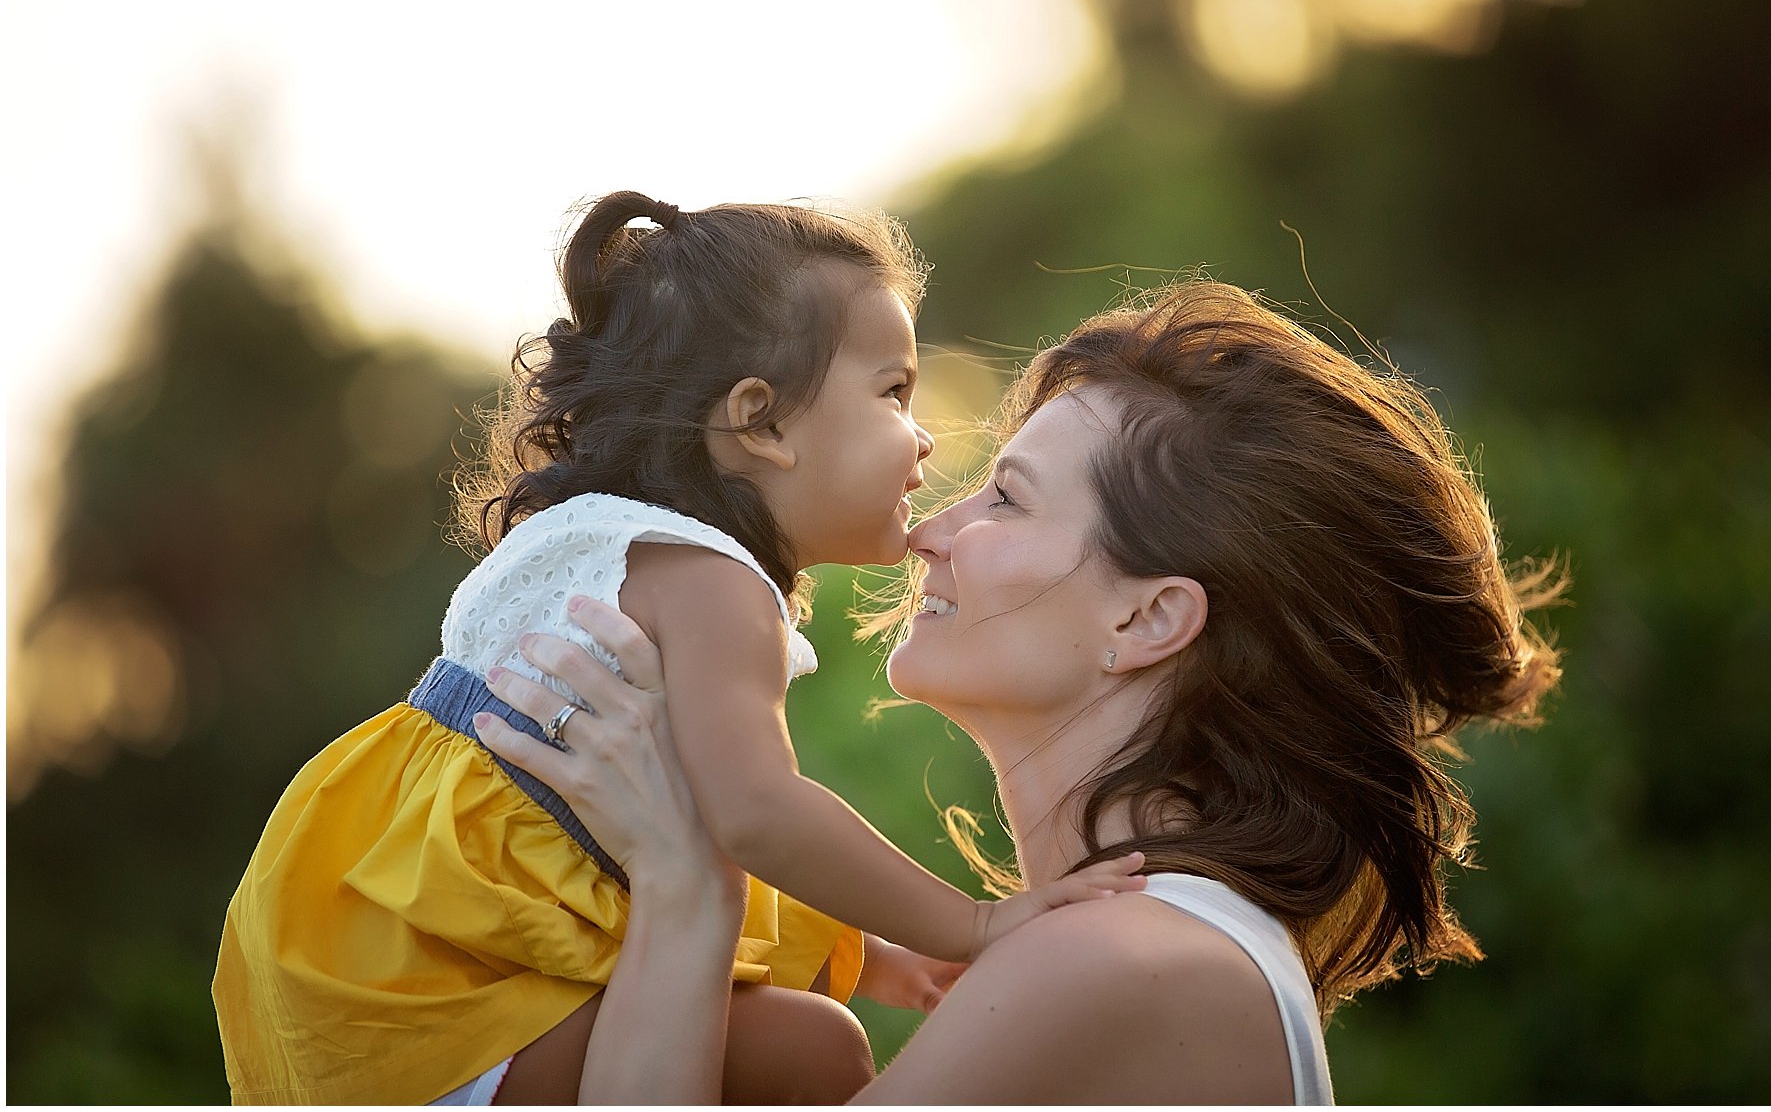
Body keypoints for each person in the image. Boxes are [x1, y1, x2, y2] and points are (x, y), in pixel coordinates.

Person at [477, 276, 1566, 1103]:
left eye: (1006, 497)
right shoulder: (1163, 944)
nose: (930, 533)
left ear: (1147, 619)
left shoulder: (1116, 957)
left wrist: (687, 881)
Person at [211, 192, 1144, 1106]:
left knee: (802, 1018)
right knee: (816, 1051)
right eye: (894, 390)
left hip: (367, 943)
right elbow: (753, 812)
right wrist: (976, 920)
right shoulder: (711, 583)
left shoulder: (603, 541)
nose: (928, 437)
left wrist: (873, 954)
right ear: (762, 422)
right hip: (450, 986)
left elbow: (656, 820)